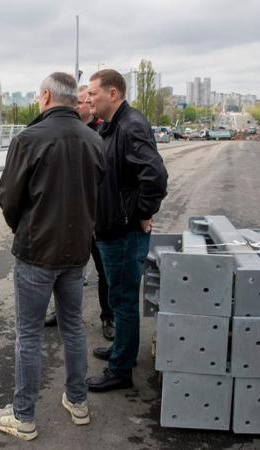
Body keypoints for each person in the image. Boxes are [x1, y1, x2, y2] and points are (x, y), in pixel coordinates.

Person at [0, 72, 105, 440]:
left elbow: (9, 196)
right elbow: (95, 193)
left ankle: (23, 415)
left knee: (28, 335)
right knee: (73, 328)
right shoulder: (94, 139)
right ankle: (78, 401)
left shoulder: (28, 138)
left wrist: (20, 226)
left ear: (44, 97)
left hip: (36, 251)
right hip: (77, 253)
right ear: (75, 99)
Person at [83, 69, 168, 392]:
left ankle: (120, 369)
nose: (88, 99)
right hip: (111, 229)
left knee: (123, 300)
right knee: (120, 298)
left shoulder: (130, 126)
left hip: (122, 231)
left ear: (112, 94)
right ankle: (123, 351)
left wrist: (141, 214)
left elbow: (156, 176)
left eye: (92, 93)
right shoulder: (110, 127)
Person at [44, 84, 114, 342]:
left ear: (90, 106)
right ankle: (60, 312)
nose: (77, 107)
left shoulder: (103, 130)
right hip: (70, 216)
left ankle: (108, 317)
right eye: (74, 103)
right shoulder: (64, 131)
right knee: (63, 269)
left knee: (103, 269)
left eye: (82, 102)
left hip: (98, 216)